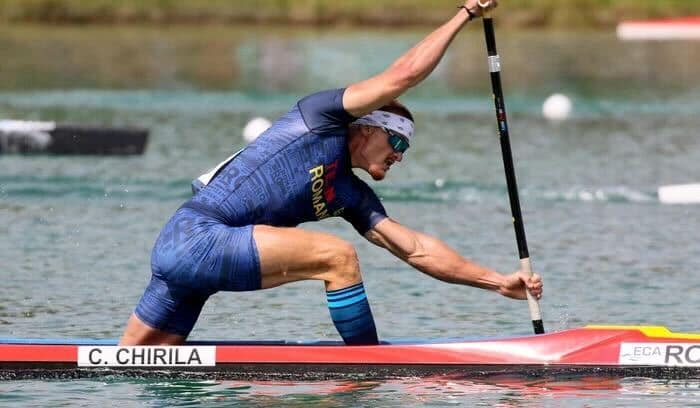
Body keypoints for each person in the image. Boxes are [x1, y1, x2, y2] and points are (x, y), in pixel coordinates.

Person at [120, 0, 543, 346]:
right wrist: (465, 13)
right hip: (200, 235)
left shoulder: (350, 194)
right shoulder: (320, 117)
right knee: (338, 257)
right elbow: (404, 76)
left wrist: (496, 282)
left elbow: (415, 250)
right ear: (369, 127)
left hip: (182, 250)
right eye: (398, 143)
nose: (399, 157)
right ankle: (368, 368)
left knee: (134, 360)